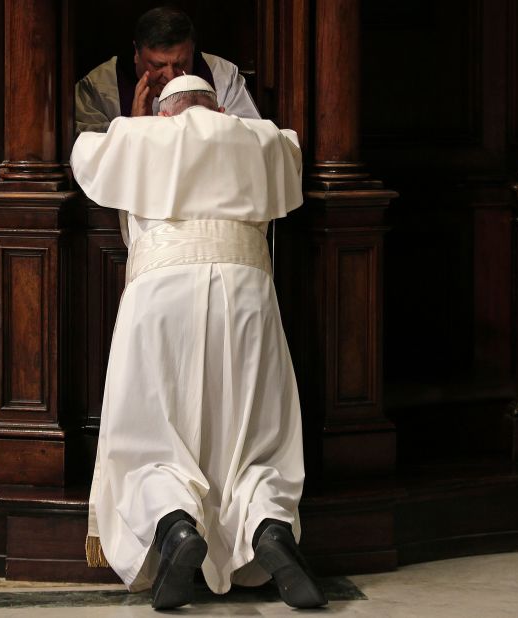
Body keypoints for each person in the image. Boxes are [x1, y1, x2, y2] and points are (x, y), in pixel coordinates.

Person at [70, 75, 326, 610]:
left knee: (152, 436)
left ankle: (176, 529)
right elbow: (293, 151)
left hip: (161, 294)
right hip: (246, 290)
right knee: (256, 437)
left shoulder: (137, 136)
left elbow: (85, 152)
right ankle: (270, 531)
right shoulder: (264, 139)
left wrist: (142, 123)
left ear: (166, 112)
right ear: (221, 107)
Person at [74, 6, 260, 134]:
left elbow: (252, 136)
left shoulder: (223, 75)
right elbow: (88, 155)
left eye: (180, 64)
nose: (171, 77)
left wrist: (209, 125)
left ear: (192, 50)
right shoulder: (99, 87)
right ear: (136, 53)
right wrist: (132, 128)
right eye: (157, 65)